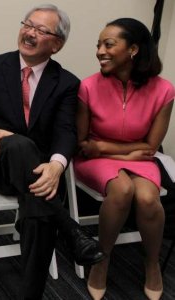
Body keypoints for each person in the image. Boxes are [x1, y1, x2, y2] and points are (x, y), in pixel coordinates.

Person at [0, 4, 105, 300]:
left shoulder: (66, 83)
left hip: (40, 173)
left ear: (57, 44)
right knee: (18, 144)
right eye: (28, 24)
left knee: (37, 207)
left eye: (41, 30)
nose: (30, 32)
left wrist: (57, 165)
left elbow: (66, 131)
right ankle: (71, 230)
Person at [74, 18, 175, 300]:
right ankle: (101, 259)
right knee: (122, 189)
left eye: (108, 44)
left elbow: (151, 146)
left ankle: (152, 263)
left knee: (146, 198)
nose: (99, 51)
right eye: (98, 45)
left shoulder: (164, 90)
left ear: (133, 49)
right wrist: (123, 150)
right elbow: (84, 144)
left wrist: (105, 146)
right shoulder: (88, 87)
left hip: (138, 158)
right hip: (95, 161)